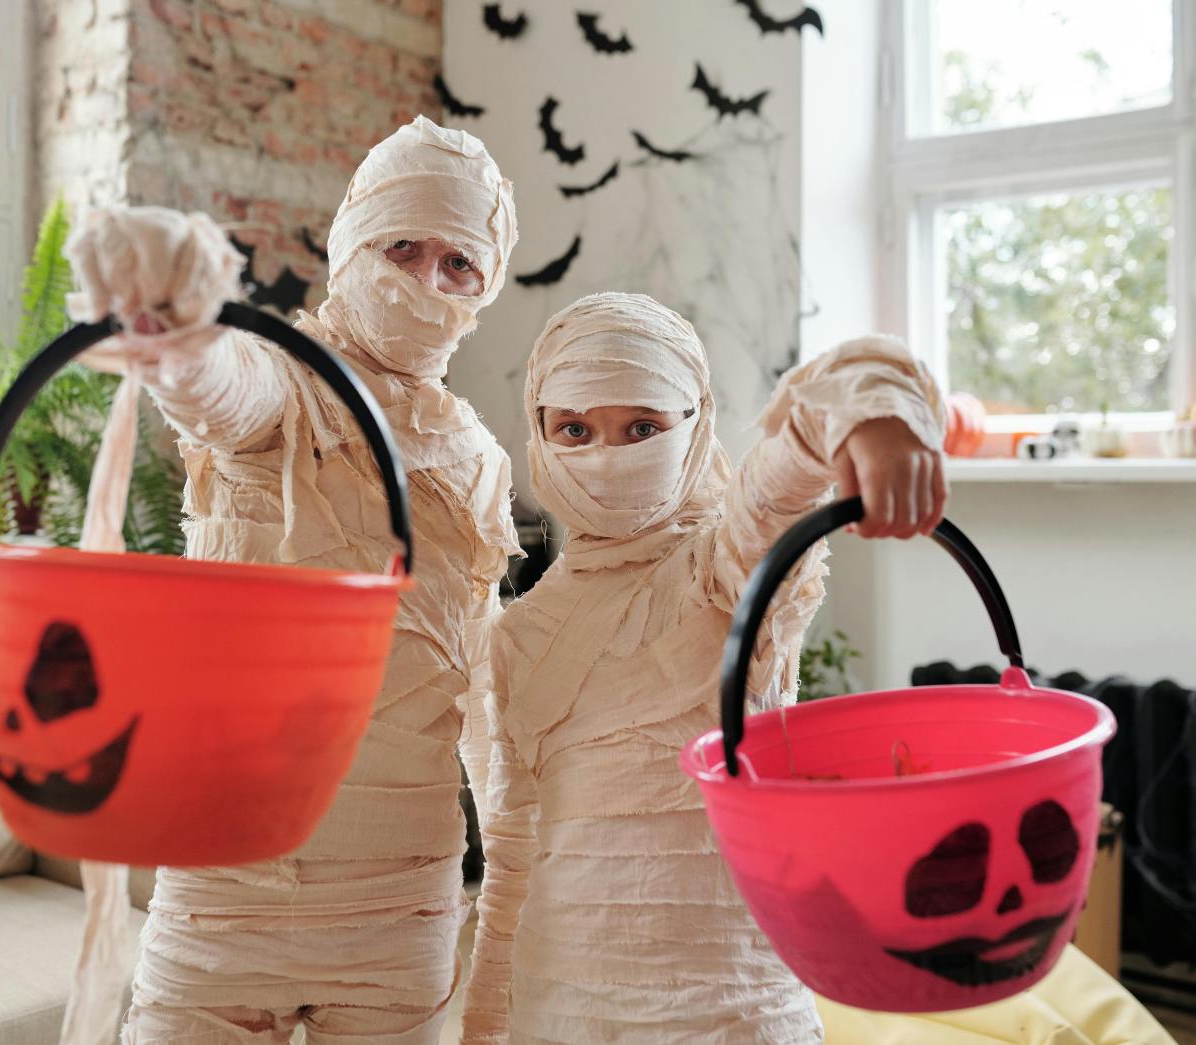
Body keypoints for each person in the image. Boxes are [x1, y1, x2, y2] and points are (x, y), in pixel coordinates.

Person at [66, 115, 518, 1044]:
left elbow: (475, 677)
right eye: (402, 247)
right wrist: (177, 324)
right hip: (223, 898)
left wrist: (513, 851)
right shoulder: (288, 384)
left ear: (488, 283)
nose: (426, 282)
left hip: (406, 912)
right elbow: (218, 389)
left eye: (458, 264)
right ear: (350, 246)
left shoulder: (476, 455)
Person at [462, 292, 945, 1043]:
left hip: (733, 1010)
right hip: (560, 1008)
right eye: (576, 429)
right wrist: (486, 1026)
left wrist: (873, 408)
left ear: (694, 426)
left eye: (643, 427)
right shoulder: (520, 631)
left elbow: (788, 469)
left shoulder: (727, 568)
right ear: (541, 433)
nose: (607, 453)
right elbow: (513, 856)